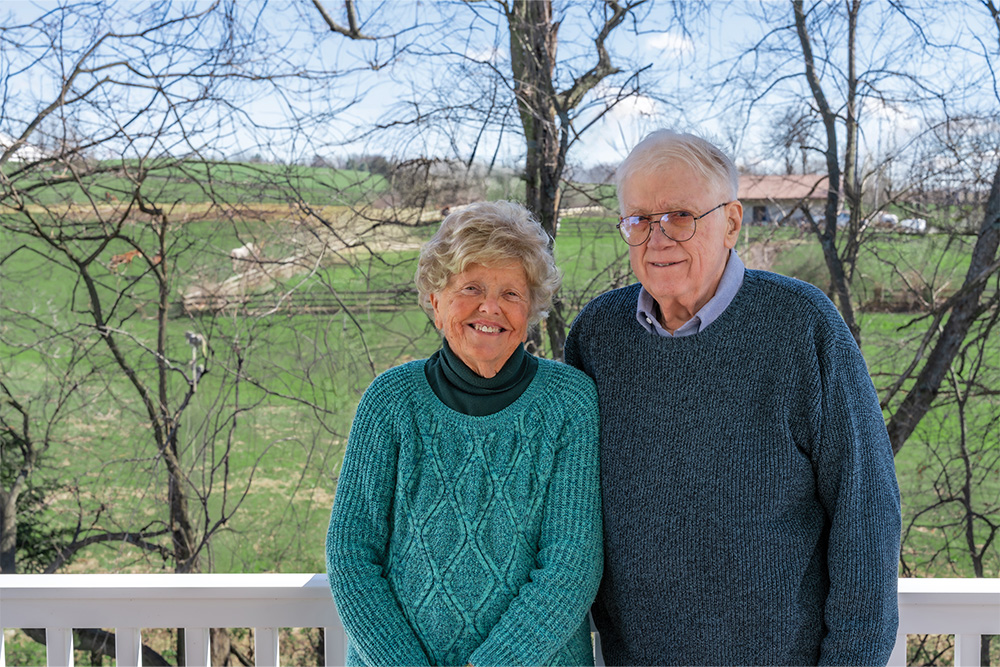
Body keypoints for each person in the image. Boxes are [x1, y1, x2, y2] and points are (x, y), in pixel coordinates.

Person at [564, 130, 901, 666]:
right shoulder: (597, 337)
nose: (658, 239)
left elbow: (867, 512)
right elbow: (568, 515)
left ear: (732, 222)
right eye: (639, 220)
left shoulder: (803, 327)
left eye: (680, 216)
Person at [327, 201, 603, 667]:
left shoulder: (569, 402)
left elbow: (571, 564)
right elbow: (351, 554)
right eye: (470, 287)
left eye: (511, 293)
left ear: (531, 310)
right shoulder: (391, 401)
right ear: (436, 301)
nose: (490, 307)